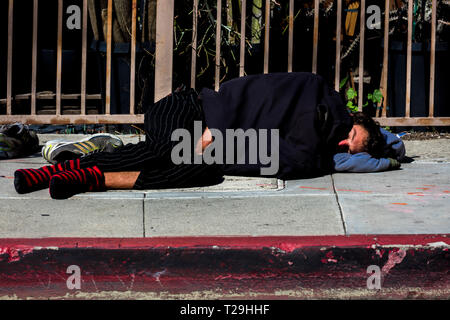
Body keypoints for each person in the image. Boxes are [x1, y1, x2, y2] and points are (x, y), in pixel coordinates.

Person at [13, 72, 405, 199]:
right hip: (189, 108)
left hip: (206, 139)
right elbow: (248, 89)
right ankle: (66, 171)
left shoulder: (312, 156)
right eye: (350, 133)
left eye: (347, 147)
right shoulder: (313, 88)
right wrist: (214, 130)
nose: (342, 141)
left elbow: (261, 158)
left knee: (199, 170)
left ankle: (84, 176)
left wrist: (384, 157)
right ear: (355, 118)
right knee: (171, 148)